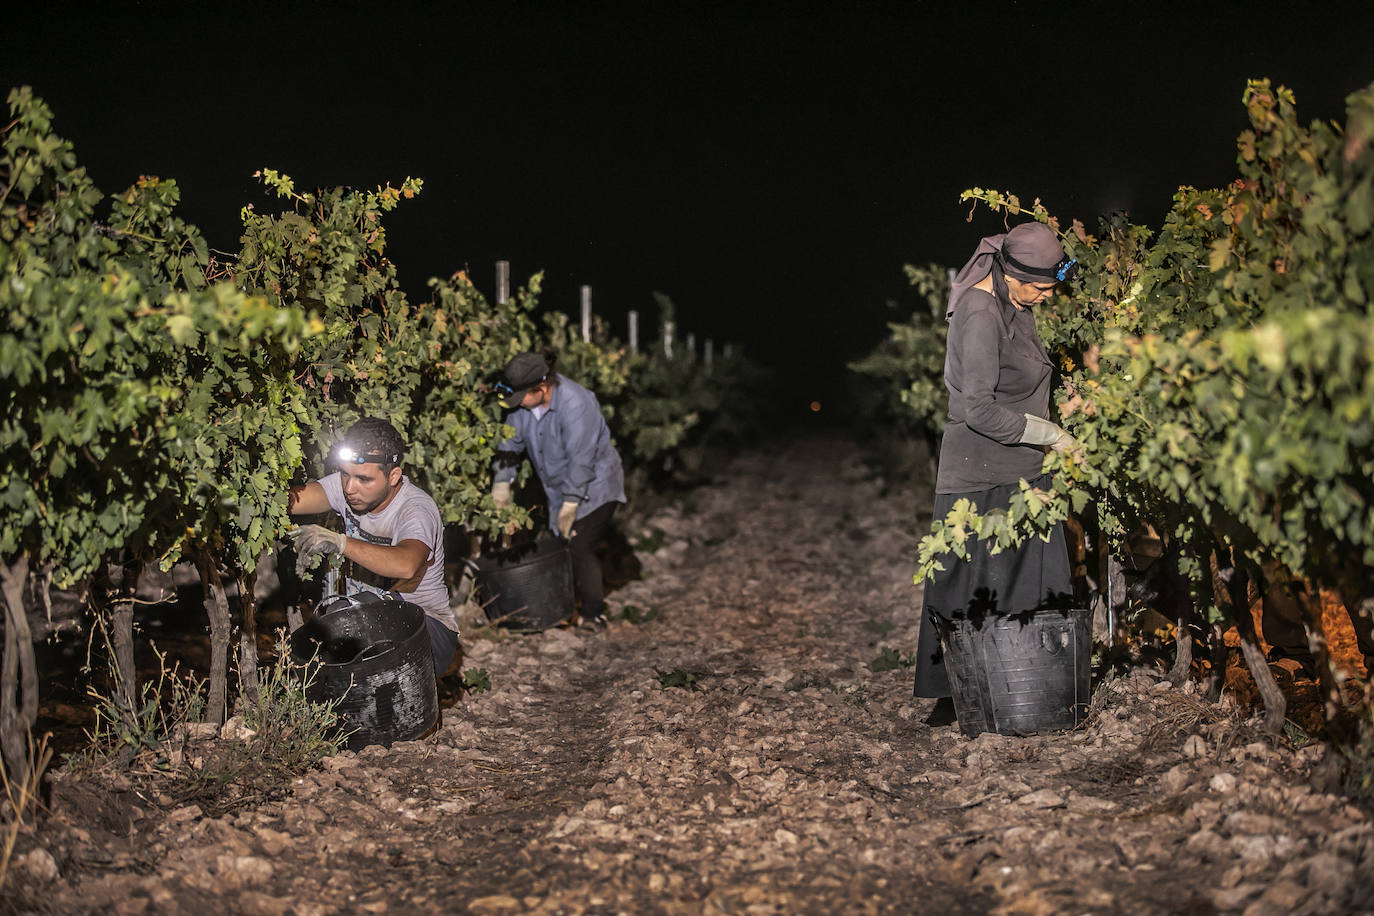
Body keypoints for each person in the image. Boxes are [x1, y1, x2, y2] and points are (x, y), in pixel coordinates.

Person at [914, 221, 1080, 725]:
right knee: (973, 589)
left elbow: (1019, 381)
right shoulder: (982, 313)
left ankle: (1019, 697)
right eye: (1045, 288)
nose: (1048, 298)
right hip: (983, 475)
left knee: (1018, 590)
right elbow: (978, 411)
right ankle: (966, 699)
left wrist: (1066, 408)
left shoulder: (1013, 301)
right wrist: (1053, 436)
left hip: (1018, 469)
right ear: (1017, 274)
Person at [288, 417, 458, 677]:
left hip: (427, 633)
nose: (349, 487)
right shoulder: (349, 485)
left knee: (352, 615)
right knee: (335, 622)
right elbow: (292, 501)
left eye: (364, 479)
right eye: (344, 474)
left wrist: (341, 542)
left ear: (393, 476)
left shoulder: (415, 509)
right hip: (368, 620)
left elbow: (406, 564)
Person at [491, 351, 626, 628]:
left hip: (595, 484)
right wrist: (502, 482)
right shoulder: (522, 407)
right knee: (560, 544)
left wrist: (571, 503)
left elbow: (581, 459)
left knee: (578, 544)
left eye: (522, 398)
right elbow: (509, 444)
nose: (518, 405)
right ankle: (564, 607)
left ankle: (593, 614)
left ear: (542, 387)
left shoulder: (576, 404)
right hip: (558, 489)